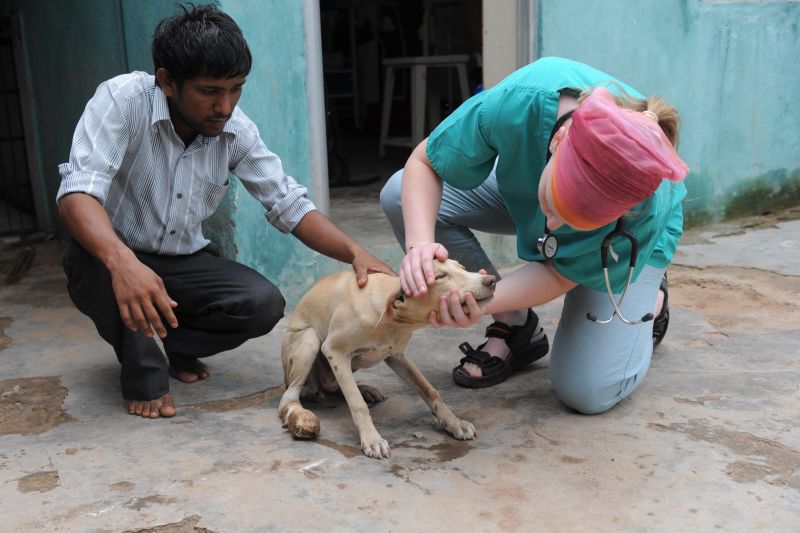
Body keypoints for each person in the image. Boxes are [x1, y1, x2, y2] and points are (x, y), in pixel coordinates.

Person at [57, 4, 393, 419]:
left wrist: (356, 253)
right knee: (120, 277)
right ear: (166, 81)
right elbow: (77, 195)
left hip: (183, 262)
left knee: (261, 302)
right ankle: (145, 373)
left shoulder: (235, 130)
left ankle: (169, 348)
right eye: (210, 91)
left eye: (236, 88)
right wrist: (122, 261)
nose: (225, 105)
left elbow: (289, 204)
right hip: (105, 256)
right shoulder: (122, 101)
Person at [380, 56, 688, 414]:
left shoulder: (643, 207)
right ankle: (516, 327)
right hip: (526, 189)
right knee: (399, 193)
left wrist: (478, 301)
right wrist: (419, 246)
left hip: (622, 244)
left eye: (573, 218)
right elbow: (427, 162)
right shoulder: (523, 100)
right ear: (558, 139)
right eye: (557, 206)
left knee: (587, 392)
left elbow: (557, 272)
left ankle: (650, 295)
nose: (552, 230)